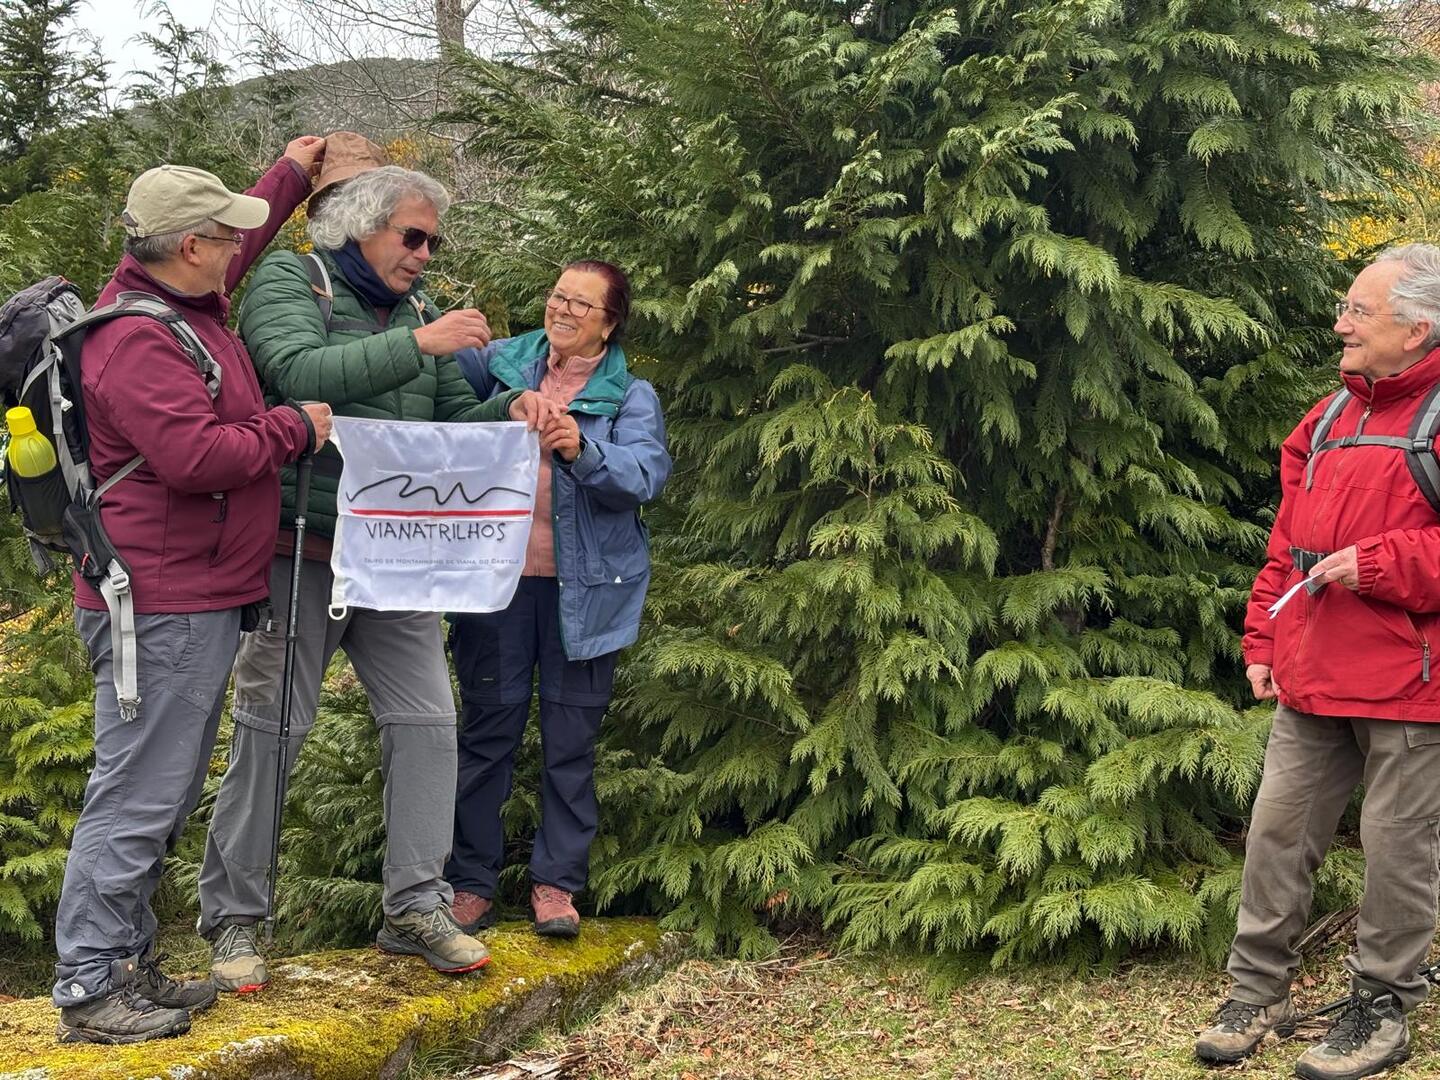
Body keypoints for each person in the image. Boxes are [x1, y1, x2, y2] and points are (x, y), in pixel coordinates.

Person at [196, 139, 558, 990]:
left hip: (397, 556)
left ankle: (415, 906)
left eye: (433, 241)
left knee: (428, 724)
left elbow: (446, 424)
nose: (425, 254)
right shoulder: (291, 281)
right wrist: (421, 344)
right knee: (272, 731)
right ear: (361, 227)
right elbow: (295, 371)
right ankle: (236, 920)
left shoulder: (416, 309)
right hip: (298, 548)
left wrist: (511, 411)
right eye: (413, 236)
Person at [52, 141, 333, 1045]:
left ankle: (125, 962)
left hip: (189, 595)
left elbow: (235, 245)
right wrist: (293, 427)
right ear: (187, 248)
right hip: (163, 604)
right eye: (224, 237)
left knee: (162, 791)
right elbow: (197, 458)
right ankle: (90, 984)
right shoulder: (138, 340)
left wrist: (291, 174)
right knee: (138, 794)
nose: (237, 249)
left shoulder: (176, 301)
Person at [1196, 243, 1440, 1080]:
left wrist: (1379, 563)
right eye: (1345, 308)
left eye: (1358, 311)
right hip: (1312, 675)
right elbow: (1288, 545)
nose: (1341, 324)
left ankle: (1381, 1008)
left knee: (1397, 854)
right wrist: (1264, 639)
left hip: (1412, 687)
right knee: (1276, 836)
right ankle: (1255, 994)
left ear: (1417, 329)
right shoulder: (1327, 418)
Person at [446, 260, 670, 938]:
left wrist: (582, 450)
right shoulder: (496, 366)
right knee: (486, 735)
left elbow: (646, 474)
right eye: (557, 297)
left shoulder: (630, 395)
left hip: (589, 597)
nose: (563, 311)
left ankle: (556, 886)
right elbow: (437, 403)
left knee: (571, 745)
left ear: (610, 323)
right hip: (497, 586)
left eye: (581, 304)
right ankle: (470, 885)